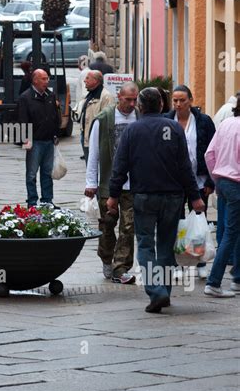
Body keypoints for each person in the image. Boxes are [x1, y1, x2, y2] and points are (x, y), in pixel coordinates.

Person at [107, 87, 205, 313]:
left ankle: (156, 290)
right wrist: (195, 197)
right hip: (173, 197)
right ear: (161, 106)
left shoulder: (132, 132)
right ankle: (164, 292)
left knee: (145, 244)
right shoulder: (174, 128)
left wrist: (113, 196)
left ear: (140, 107)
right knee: (166, 247)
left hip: (144, 197)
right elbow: (185, 168)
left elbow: (119, 167)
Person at [85, 82, 139, 284]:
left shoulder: (139, 117)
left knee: (129, 227)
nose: (132, 104)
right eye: (128, 100)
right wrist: (91, 182)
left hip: (132, 185)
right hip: (108, 183)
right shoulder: (104, 119)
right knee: (107, 225)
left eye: (135, 100)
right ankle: (107, 259)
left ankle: (121, 267)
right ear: (119, 96)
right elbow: (94, 154)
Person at [166, 85, 215, 280]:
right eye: (175, 101)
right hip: (174, 182)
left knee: (198, 222)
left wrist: (211, 179)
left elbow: (213, 150)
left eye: (182, 100)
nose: (178, 104)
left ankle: (200, 260)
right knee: (178, 224)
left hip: (199, 180)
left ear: (191, 101)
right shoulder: (167, 121)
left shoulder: (203, 122)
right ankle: (179, 263)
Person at [204, 95, 240, 298]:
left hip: (224, 181)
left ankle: (237, 278)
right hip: (236, 182)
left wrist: (216, 178)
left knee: (233, 230)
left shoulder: (226, 124)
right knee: (231, 233)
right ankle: (214, 282)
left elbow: (209, 154)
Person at [17, 69, 61, 207]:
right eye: (43, 79)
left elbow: (55, 116)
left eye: (47, 78)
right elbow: (22, 120)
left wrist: (56, 133)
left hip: (49, 140)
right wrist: (25, 139)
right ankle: (32, 202)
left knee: (47, 173)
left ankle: (47, 200)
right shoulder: (25, 97)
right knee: (31, 174)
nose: (46, 81)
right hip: (34, 141)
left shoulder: (50, 95)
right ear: (35, 80)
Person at [80, 70, 115, 163]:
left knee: (95, 165)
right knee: (89, 165)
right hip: (86, 135)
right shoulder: (90, 94)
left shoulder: (106, 96)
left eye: (87, 78)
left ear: (95, 81)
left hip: (96, 138)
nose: (84, 80)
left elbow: (107, 119)